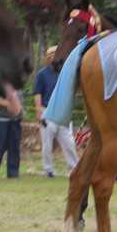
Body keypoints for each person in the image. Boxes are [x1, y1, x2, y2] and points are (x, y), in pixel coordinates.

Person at [34, 45, 78, 179]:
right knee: (47, 144)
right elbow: (37, 93)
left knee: (69, 142)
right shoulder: (42, 74)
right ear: (48, 57)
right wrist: (38, 110)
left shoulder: (65, 73)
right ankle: (49, 169)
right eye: (52, 54)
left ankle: (74, 168)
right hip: (47, 111)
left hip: (62, 111)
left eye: (56, 53)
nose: (54, 56)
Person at [0, 94, 22, 179]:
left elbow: (19, 98)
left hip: (15, 120)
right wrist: (8, 104)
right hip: (1, 120)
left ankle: (13, 173)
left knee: (14, 147)